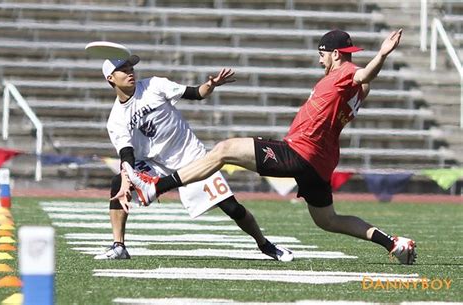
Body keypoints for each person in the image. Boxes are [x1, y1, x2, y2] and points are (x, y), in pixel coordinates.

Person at [121, 29, 418, 265]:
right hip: (320, 164)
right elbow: (364, 84)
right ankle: (394, 243)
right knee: (328, 220)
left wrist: (381, 55)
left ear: (336, 54)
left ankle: (157, 187)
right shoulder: (353, 90)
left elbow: (364, 75)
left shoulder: (344, 74)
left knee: (224, 149)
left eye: (322, 54)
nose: (319, 60)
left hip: (300, 151)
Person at [95, 53, 293, 261]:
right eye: (123, 70)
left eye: (131, 68)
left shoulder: (154, 85)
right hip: (156, 164)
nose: (130, 73)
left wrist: (210, 85)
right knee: (118, 182)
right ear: (110, 78)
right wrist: (127, 181)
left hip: (193, 157)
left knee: (232, 208)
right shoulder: (116, 119)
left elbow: (196, 93)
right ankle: (119, 246)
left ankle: (265, 245)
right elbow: (127, 153)